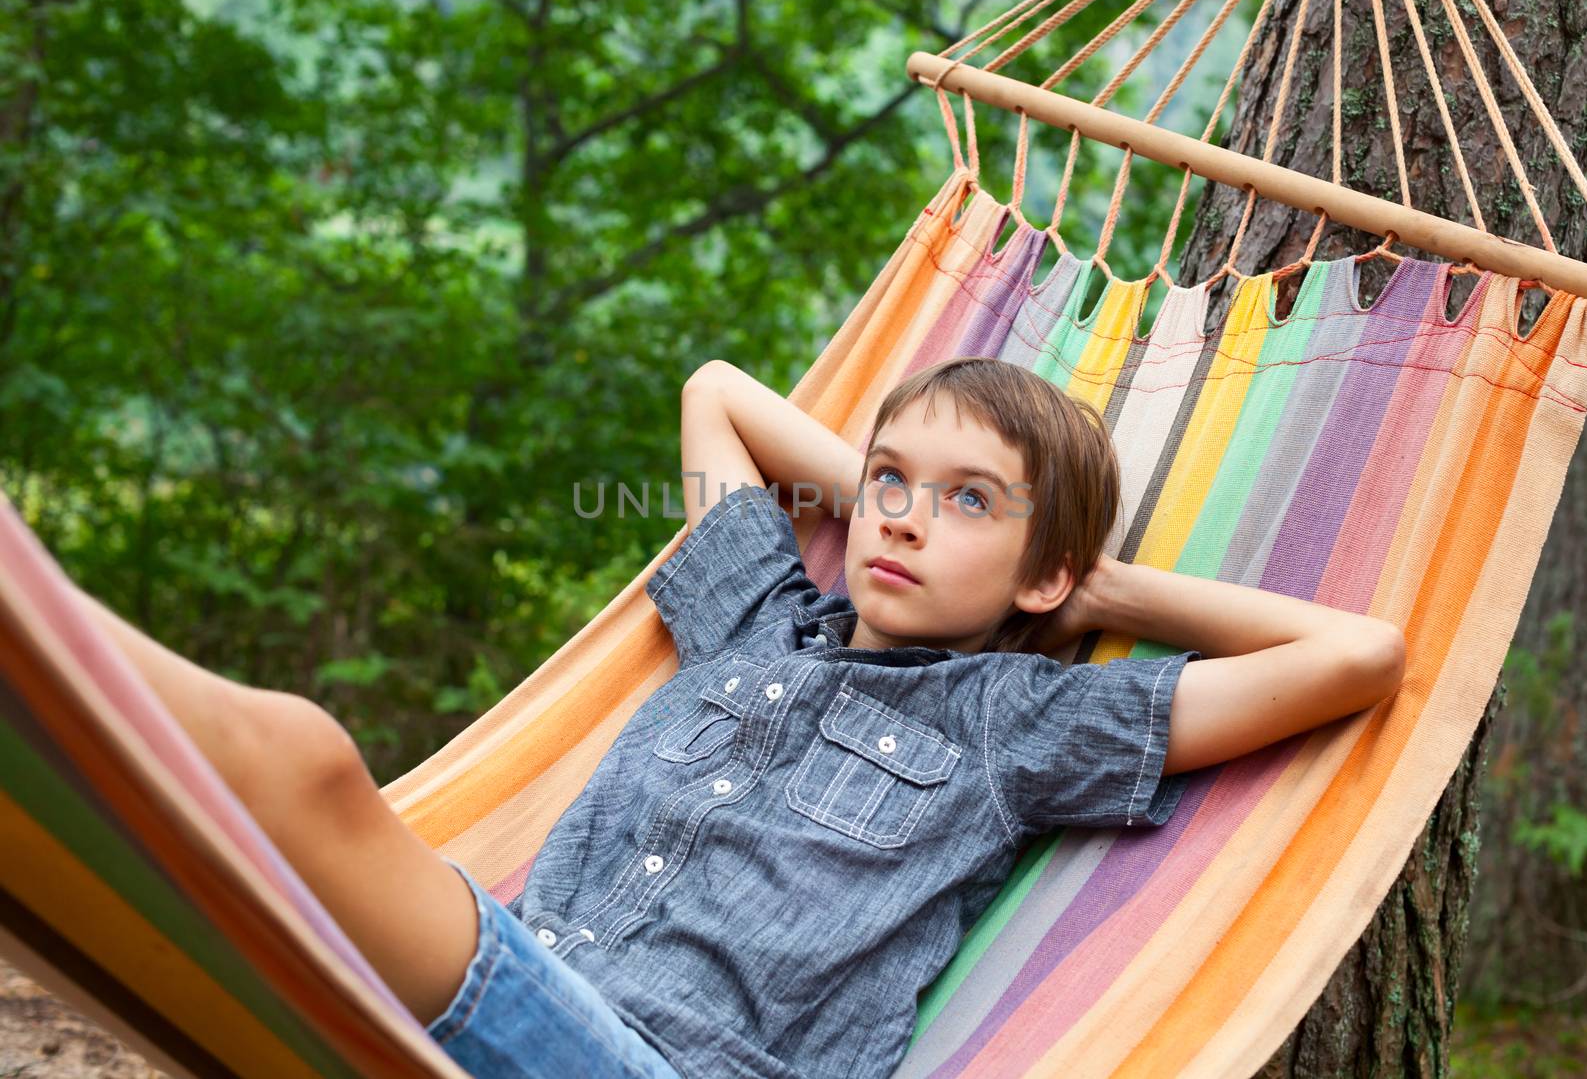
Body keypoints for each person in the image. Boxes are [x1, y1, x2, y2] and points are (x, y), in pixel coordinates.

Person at [73, 355, 1405, 1079]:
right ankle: (48, 657)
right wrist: (930, 494)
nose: (896, 514)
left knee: (301, 762)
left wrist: (1086, 584)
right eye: (887, 483)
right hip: (502, 1011)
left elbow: (1357, 654)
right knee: (283, 784)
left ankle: (46, 640)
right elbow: (718, 390)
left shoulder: (1018, 717)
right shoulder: (755, 615)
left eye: (966, 501)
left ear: (1048, 573)